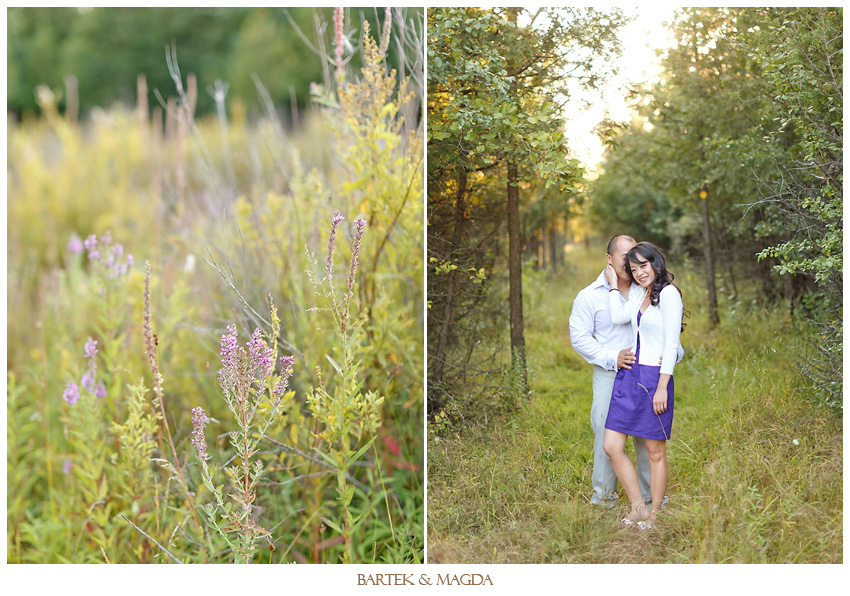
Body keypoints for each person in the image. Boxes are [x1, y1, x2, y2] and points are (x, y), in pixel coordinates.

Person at [569, 235, 682, 509]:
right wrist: (612, 357)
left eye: (637, 258)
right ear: (609, 259)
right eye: (626, 258)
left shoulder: (646, 290)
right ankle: (604, 497)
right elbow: (580, 338)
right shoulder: (589, 296)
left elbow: (666, 335)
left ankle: (649, 499)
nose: (633, 265)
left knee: (647, 441)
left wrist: (669, 359)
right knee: (606, 438)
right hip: (610, 372)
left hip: (645, 374)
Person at [602, 241, 684, 529]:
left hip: (654, 378)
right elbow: (617, 316)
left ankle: (656, 514)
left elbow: (671, 344)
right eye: (633, 269)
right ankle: (638, 506)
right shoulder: (639, 292)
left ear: (655, 263)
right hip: (630, 376)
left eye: (643, 266)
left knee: (655, 452)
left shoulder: (670, 295)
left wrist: (662, 387)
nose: (639, 273)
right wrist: (614, 284)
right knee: (611, 445)